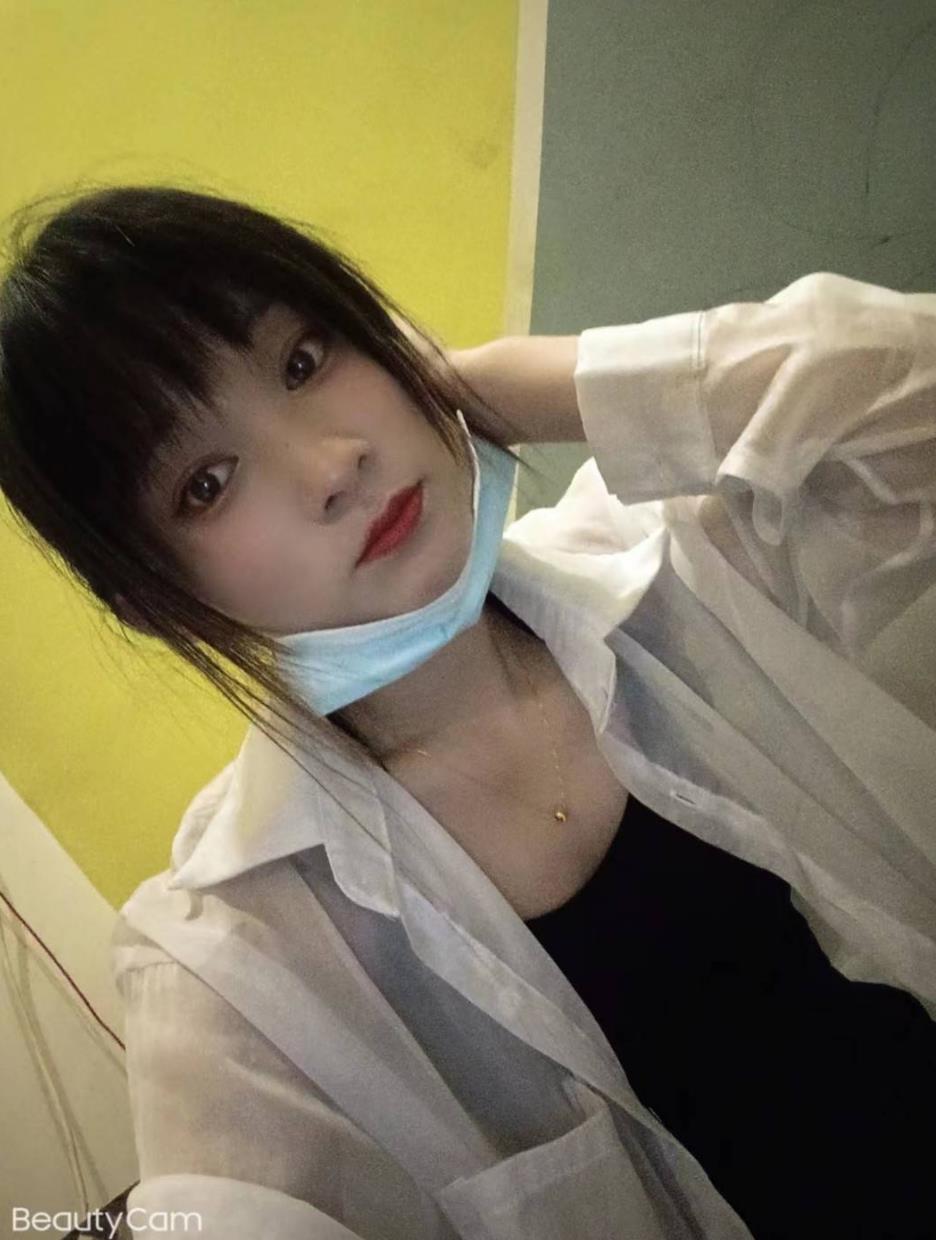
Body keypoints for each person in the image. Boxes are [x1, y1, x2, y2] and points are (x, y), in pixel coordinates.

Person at [1, 184, 934, 1240]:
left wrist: (533, 390)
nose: (332, 463)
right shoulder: (239, 970)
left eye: (305, 361)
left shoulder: (690, 562)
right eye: (207, 483)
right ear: (154, 597)